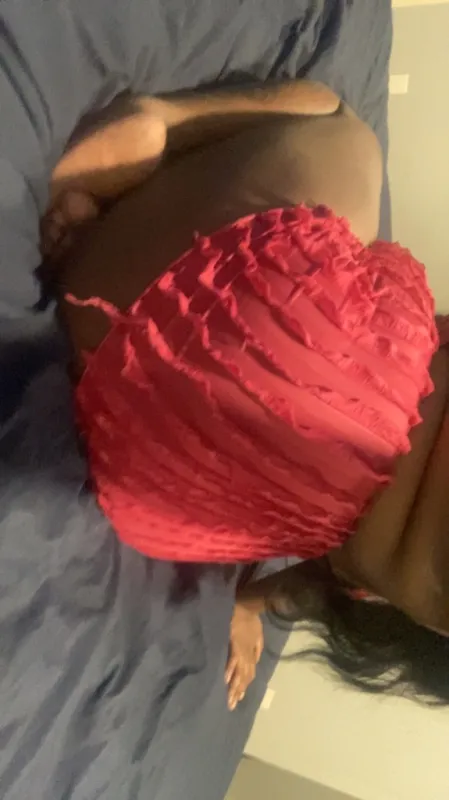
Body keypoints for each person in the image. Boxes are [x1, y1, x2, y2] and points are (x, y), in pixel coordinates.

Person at [43, 78, 449, 712]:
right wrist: (246, 605)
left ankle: (163, 126)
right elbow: (334, 586)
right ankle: (97, 312)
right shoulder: (416, 606)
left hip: (264, 310)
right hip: (155, 488)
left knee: (349, 134)